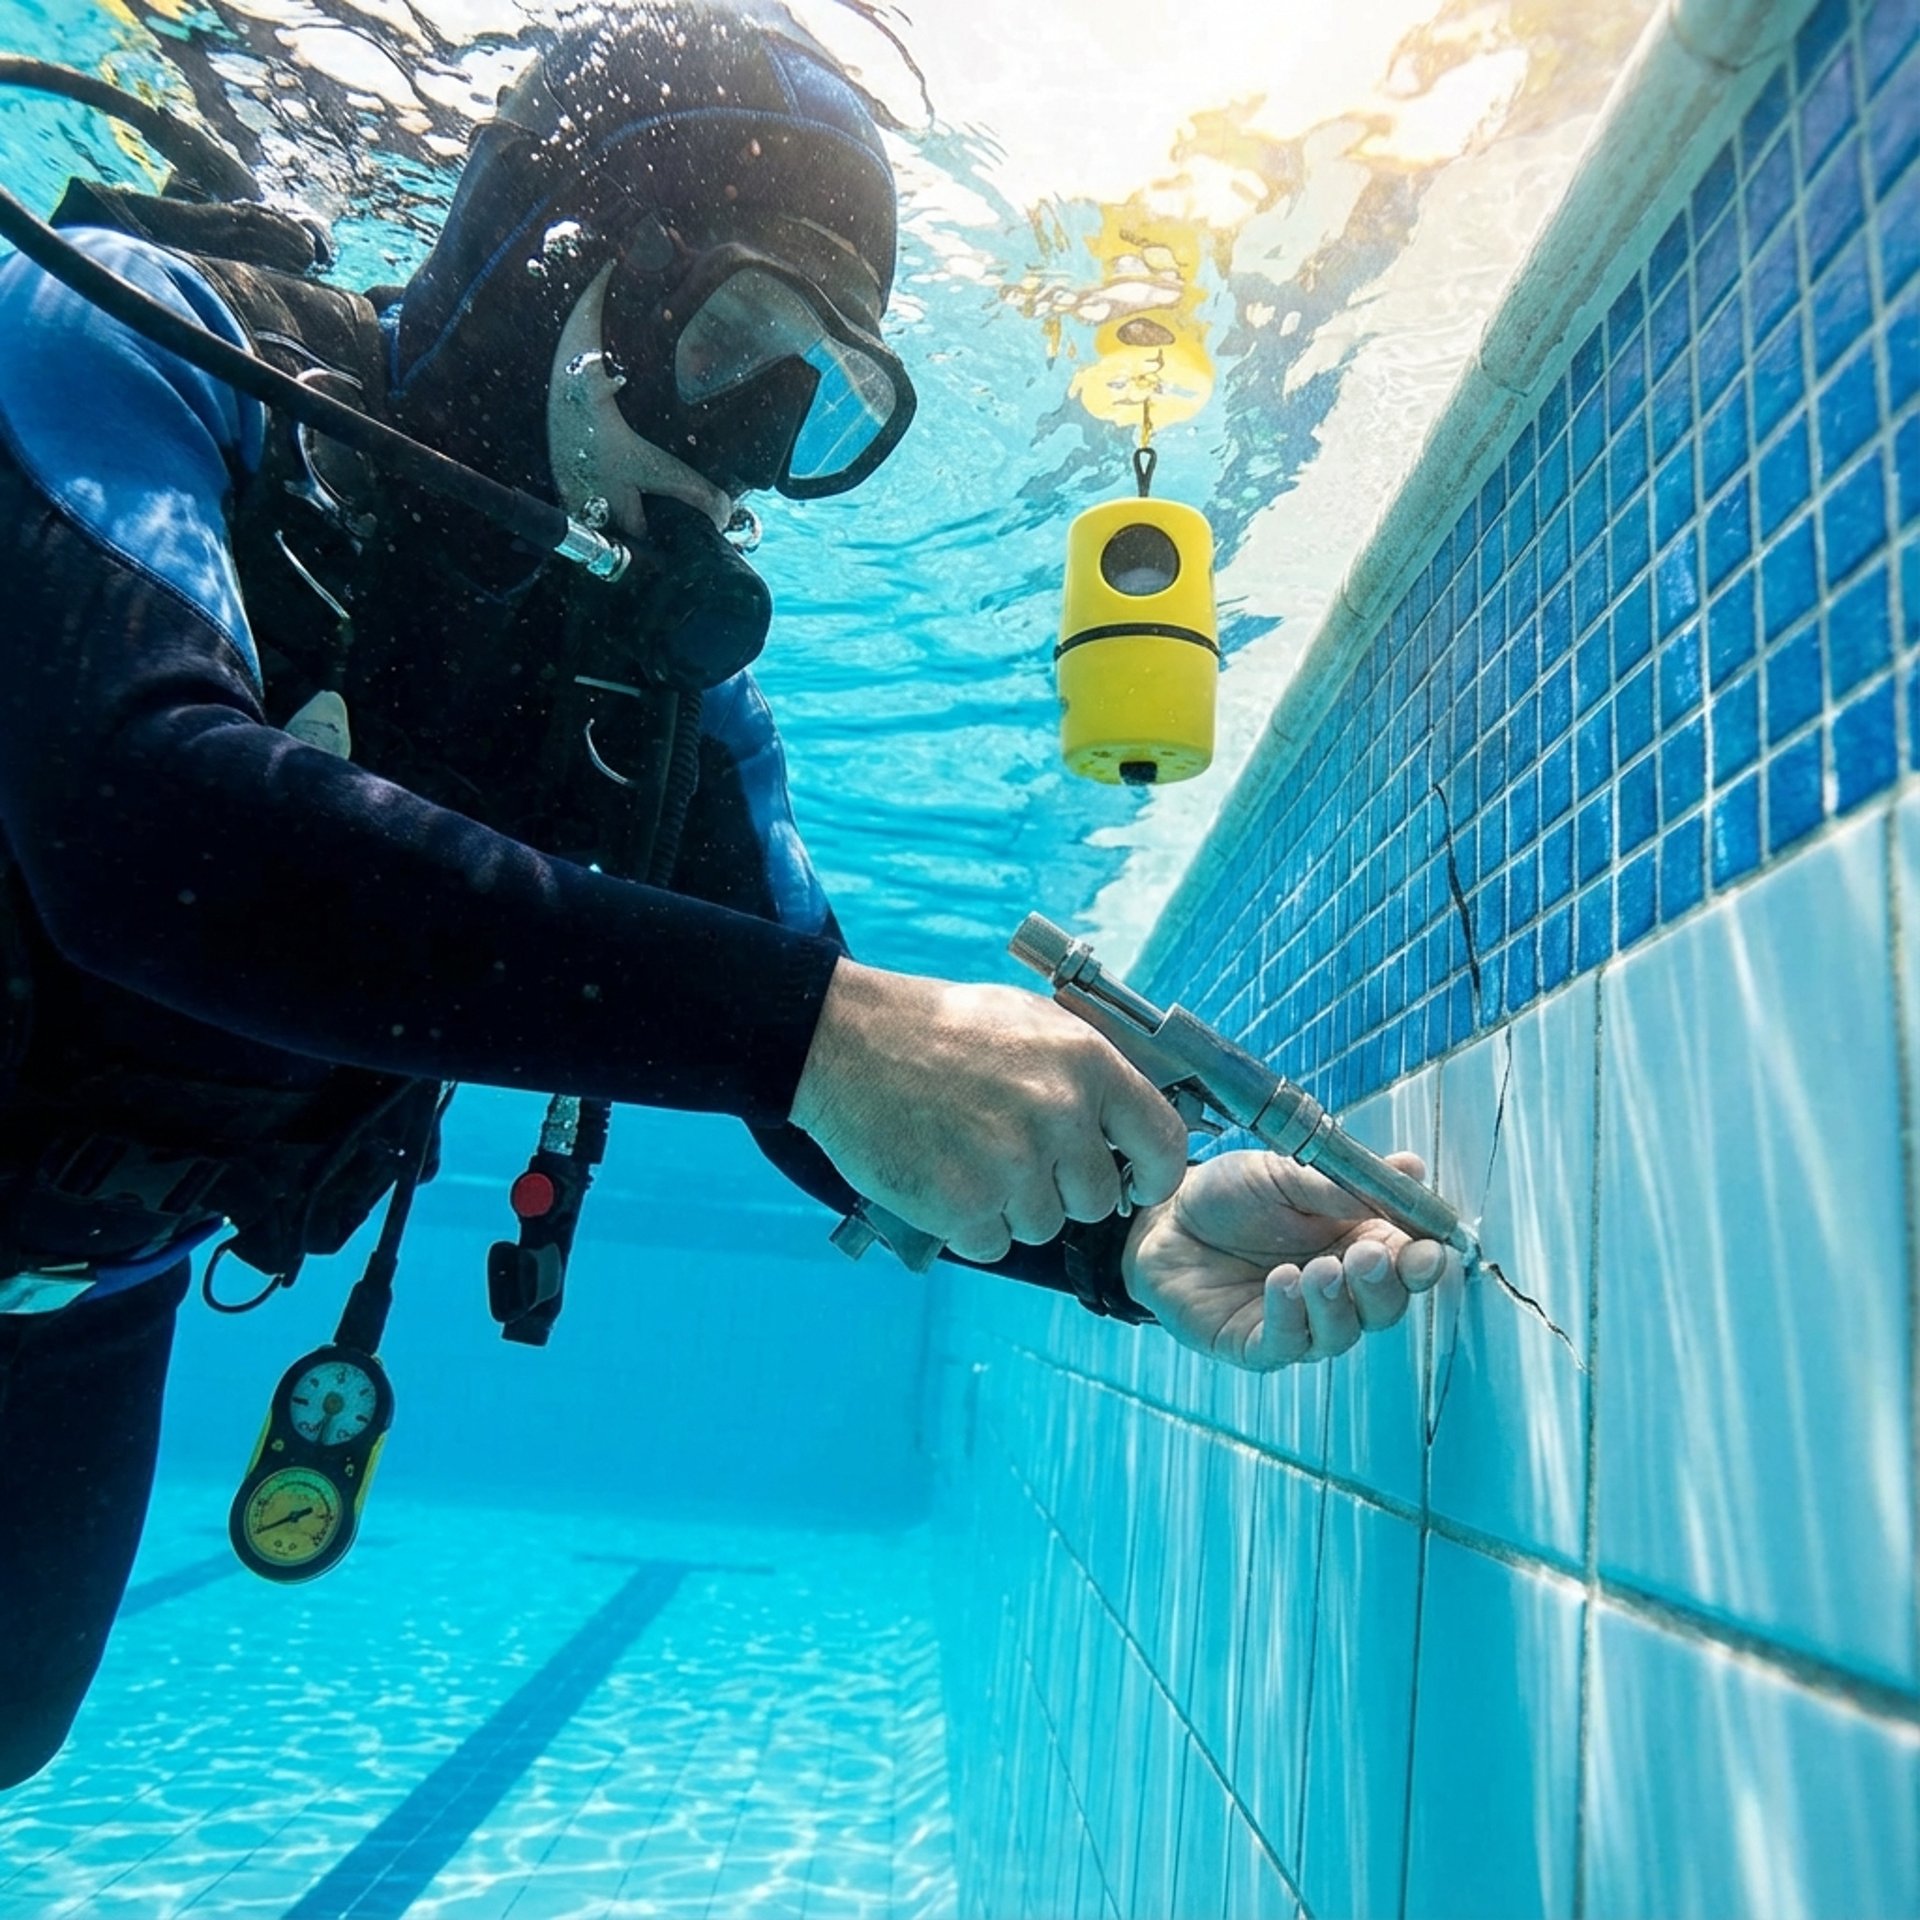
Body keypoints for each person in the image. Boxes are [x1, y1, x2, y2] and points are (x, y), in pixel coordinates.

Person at [0, 0, 1456, 1788]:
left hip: (89, 1291)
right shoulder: (143, 342)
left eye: (822, 401)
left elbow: (832, 1086)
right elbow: (144, 831)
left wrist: (1122, 1239)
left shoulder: (651, 695)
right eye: (733, 346)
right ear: (550, 265)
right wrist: (814, 1031)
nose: (751, 446)